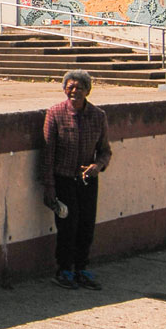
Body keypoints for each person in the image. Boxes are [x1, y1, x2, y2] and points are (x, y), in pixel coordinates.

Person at [41, 70, 112, 290]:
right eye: (70, 87)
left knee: (86, 226)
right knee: (67, 227)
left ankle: (81, 268)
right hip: (63, 179)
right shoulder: (55, 114)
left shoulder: (98, 116)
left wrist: (97, 166)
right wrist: (49, 186)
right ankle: (64, 270)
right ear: (64, 90)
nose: (74, 91)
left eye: (79, 88)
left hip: (86, 181)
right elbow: (47, 153)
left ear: (88, 91)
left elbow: (105, 151)